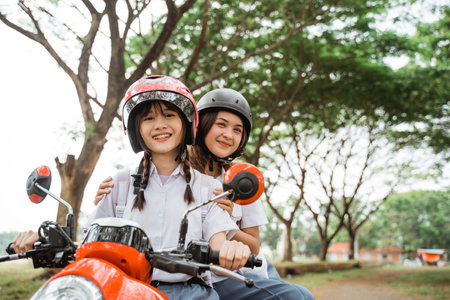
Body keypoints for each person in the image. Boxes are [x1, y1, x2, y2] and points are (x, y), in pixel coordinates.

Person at [13, 76, 251, 300]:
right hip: (126, 288)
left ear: (186, 122)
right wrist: (42, 240)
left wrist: (231, 248)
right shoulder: (118, 184)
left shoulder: (208, 188)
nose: (159, 125)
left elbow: (217, 241)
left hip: (189, 292)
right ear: (136, 130)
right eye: (148, 118)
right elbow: (88, 243)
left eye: (168, 115)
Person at [95, 88, 314, 299]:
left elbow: (250, 245)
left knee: (296, 295)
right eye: (221, 125)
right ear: (200, 125)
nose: (228, 134)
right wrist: (110, 195)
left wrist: (225, 228)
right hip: (181, 276)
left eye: (237, 130)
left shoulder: (239, 179)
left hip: (232, 270)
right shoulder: (158, 170)